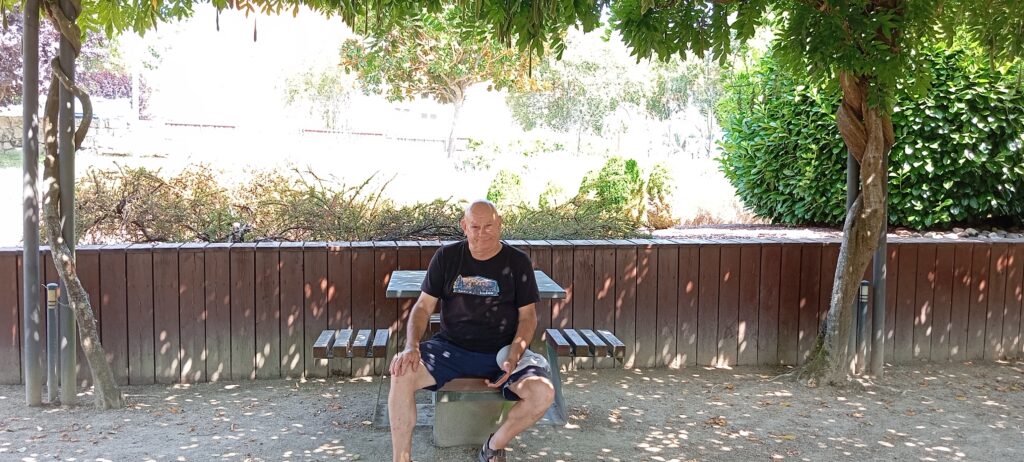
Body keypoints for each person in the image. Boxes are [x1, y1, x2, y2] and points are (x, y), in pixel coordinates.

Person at [388, 200, 555, 462]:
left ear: (500, 225)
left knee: (543, 393)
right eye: (475, 226)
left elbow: (528, 317)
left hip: (502, 352)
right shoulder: (446, 257)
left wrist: (515, 352)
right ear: (464, 226)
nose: (482, 233)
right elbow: (422, 307)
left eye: (489, 226)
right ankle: (401, 458)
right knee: (401, 371)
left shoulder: (518, 262)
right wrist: (412, 346)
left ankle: (493, 445)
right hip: (450, 349)